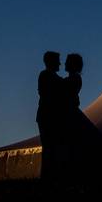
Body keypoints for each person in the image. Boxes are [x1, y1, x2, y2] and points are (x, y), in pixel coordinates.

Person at [36, 51, 66, 182]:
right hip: (48, 117)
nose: (60, 63)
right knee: (50, 147)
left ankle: (49, 176)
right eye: (57, 60)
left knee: (50, 148)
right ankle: (49, 177)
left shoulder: (50, 77)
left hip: (46, 116)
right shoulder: (47, 76)